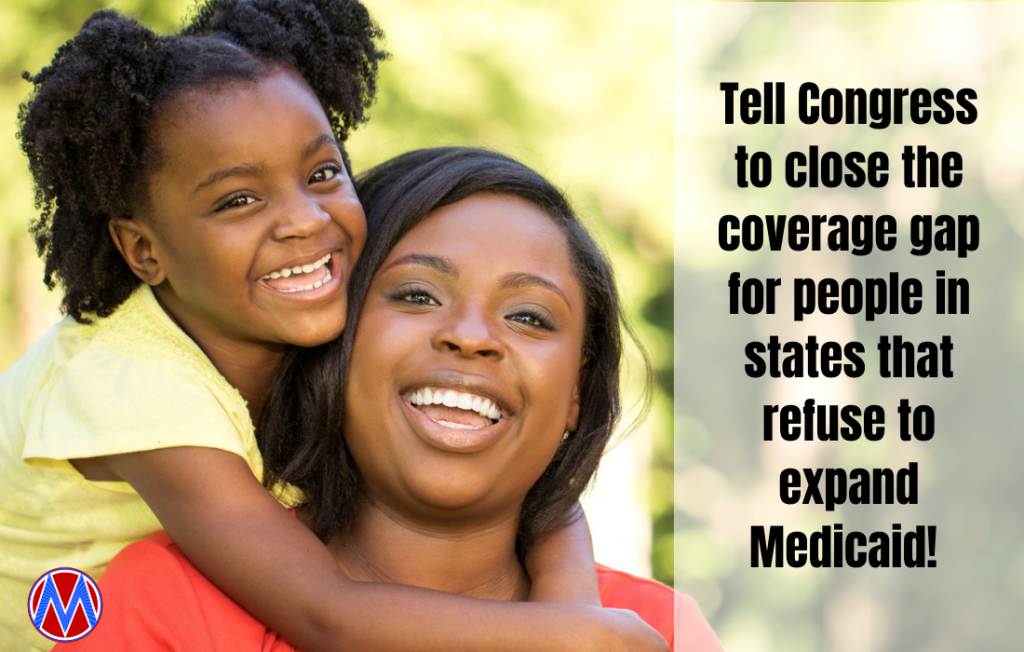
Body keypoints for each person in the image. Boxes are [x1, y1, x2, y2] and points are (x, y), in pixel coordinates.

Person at [2, 3, 661, 651]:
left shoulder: (278, 332)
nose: (304, 220)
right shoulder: (139, 389)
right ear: (145, 251)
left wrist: (571, 596)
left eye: (322, 173)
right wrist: (566, 634)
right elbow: (328, 615)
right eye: (239, 200)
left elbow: (538, 488)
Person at [58, 147, 723, 651]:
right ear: (333, 338)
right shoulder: (165, 604)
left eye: (528, 316)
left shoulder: (659, 633)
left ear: (575, 392)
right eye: (416, 296)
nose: (470, 337)